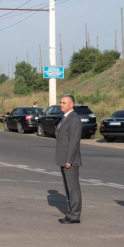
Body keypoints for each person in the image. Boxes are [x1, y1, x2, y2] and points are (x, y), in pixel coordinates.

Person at [55, 94, 82, 224]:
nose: (61, 105)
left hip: (69, 160)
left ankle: (75, 215)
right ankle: (70, 213)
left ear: (71, 105)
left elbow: (74, 141)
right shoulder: (65, 118)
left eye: (64, 103)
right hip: (64, 158)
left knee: (73, 188)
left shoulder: (74, 119)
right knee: (68, 188)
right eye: (60, 102)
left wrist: (69, 160)